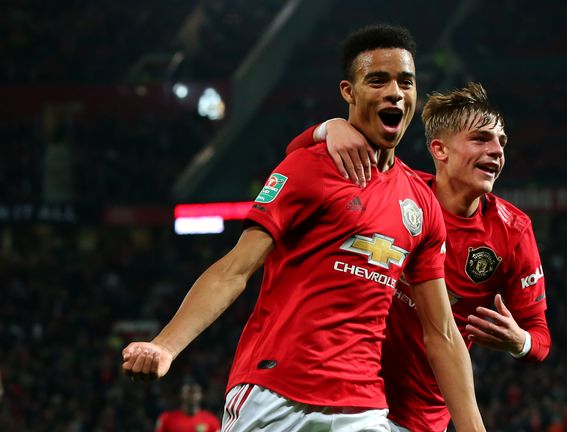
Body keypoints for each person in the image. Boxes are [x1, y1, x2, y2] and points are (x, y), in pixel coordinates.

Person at [122, 25, 485, 432]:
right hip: (274, 394)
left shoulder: (421, 205)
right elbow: (234, 270)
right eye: (378, 80)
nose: (395, 93)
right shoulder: (309, 168)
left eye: (406, 81)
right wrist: (165, 346)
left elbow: (443, 334)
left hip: (362, 409)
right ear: (349, 91)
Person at [287, 82, 551, 431]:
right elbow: (296, 156)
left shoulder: (513, 231)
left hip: (417, 420)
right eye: (481, 139)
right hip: (345, 394)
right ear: (440, 149)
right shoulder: (397, 189)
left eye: (501, 142)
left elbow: (540, 339)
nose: (497, 150)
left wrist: (520, 342)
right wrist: (328, 128)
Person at [155, 382, 221, 432]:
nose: (192, 395)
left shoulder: (211, 420)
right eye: (188, 392)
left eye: (195, 392)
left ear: (201, 396)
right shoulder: (167, 419)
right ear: (181, 395)